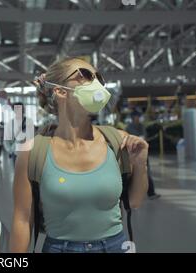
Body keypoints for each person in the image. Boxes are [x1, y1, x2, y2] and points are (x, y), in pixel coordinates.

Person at [10, 57, 149, 253]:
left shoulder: (118, 141)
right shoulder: (32, 152)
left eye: (98, 78)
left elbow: (134, 202)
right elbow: (22, 220)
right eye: (85, 76)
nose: (96, 83)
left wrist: (140, 164)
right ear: (59, 91)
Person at [126, 110, 161, 200]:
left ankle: (151, 193)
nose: (138, 119)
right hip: (133, 153)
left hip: (143, 152)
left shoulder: (141, 126)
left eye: (139, 117)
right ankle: (131, 194)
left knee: (147, 172)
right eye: (137, 117)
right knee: (132, 174)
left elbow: (144, 136)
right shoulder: (129, 127)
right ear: (133, 118)